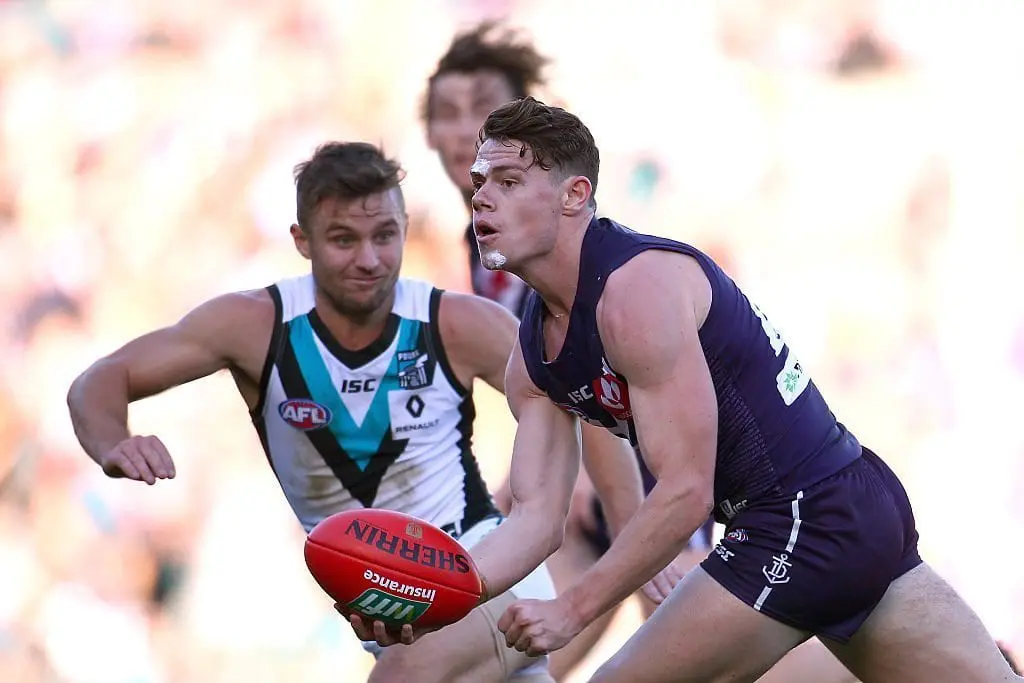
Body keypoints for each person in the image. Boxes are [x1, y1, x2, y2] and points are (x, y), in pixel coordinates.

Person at [351, 98, 1022, 683]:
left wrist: (574, 606)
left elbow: (684, 491)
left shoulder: (635, 291)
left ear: (575, 195)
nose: (482, 197)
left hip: (801, 514)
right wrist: (427, 597)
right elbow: (534, 518)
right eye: (478, 183)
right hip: (843, 510)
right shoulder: (533, 354)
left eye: (508, 179)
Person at [65, 141, 647, 683]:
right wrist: (113, 441)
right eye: (344, 239)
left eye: (385, 236)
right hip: (394, 619)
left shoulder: (456, 325)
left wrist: (635, 544)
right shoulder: (254, 328)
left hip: (483, 580)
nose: (369, 259)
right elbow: (100, 382)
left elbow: (584, 404)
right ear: (302, 239)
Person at [422, 23, 712, 679]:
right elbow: (547, 395)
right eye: (447, 113)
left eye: (483, 110)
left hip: (646, 473)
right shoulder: (486, 249)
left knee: (710, 653)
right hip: (585, 503)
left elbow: (592, 367)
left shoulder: (559, 240)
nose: (464, 127)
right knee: (511, 664)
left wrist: (584, 478)